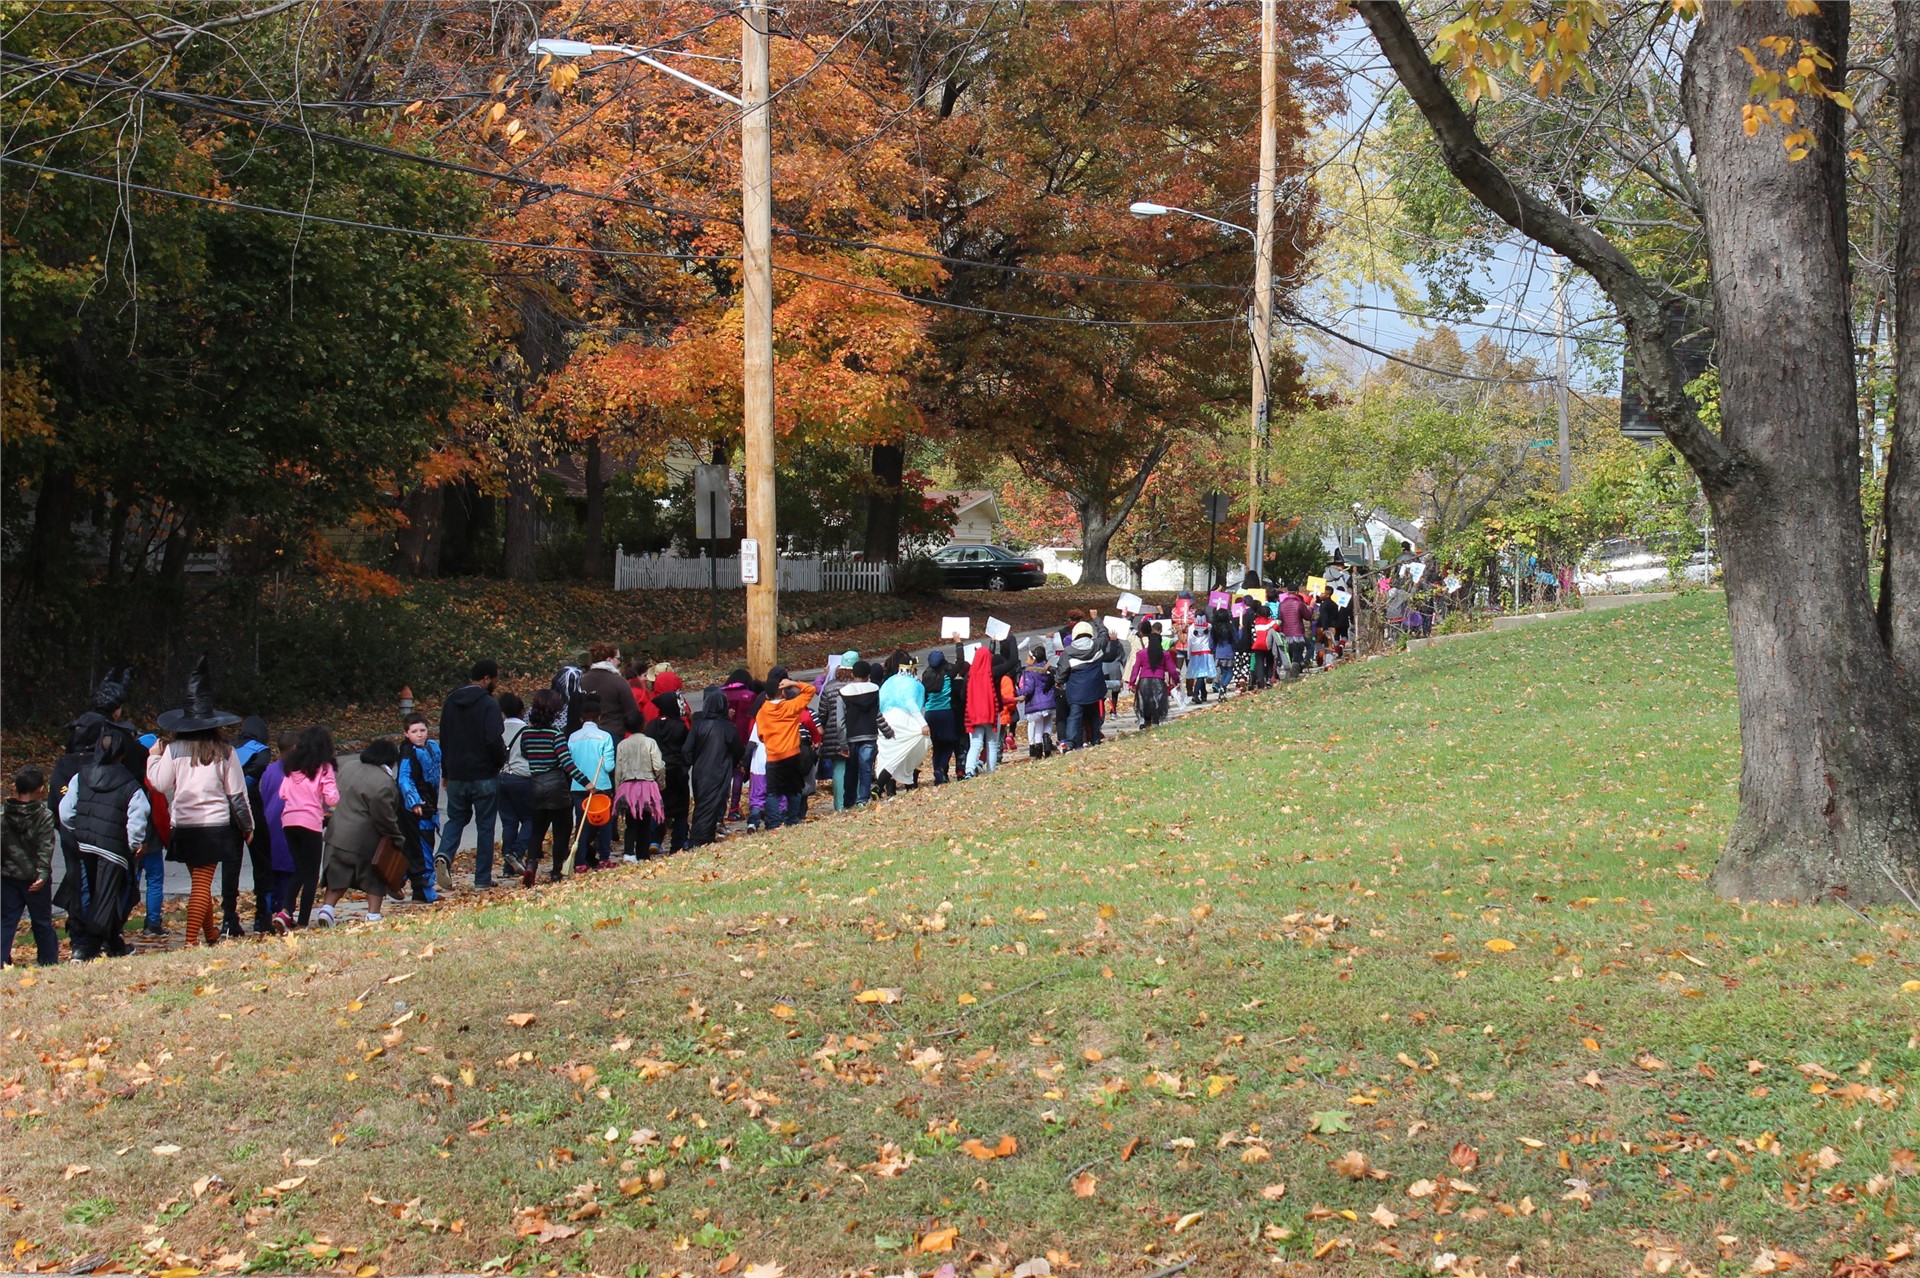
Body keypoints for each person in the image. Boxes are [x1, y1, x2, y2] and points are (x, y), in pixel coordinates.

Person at [147, 657, 252, 948]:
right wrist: (247, 826)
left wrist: (154, 756)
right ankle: (191, 942)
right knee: (202, 886)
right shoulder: (225, 751)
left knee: (200, 884)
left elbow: (159, 783)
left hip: (184, 826)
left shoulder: (173, 750)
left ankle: (209, 935)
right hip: (214, 826)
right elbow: (237, 794)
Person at [314, 738, 408, 927]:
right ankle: (373, 915)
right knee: (373, 878)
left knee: (337, 876)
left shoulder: (348, 767)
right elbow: (384, 818)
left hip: (336, 834)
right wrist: (398, 839)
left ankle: (327, 909)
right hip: (364, 841)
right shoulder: (384, 783)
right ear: (391, 760)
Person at [435, 659, 507, 890]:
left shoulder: (451, 701)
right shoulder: (489, 704)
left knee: (456, 818)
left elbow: (444, 738)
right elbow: (493, 740)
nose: (497, 682)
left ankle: (444, 854)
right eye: (496, 678)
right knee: (485, 825)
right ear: (486, 679)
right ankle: (482, 878)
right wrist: (499, 763)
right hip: (484, 773)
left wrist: (446, 770)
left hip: (456, 773)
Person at [272, 727, 338, 932]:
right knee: (311, 874)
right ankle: (302, 920)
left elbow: (283, 793)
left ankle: (285, 911)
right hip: (310, 822)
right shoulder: (323, 767)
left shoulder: (292, 767)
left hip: (289, 822)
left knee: (298, 870)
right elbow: (332, 798)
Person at [519, 690, 585, 886]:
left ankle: (531, 865)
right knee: (561, 830)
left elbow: (524, 753)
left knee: (537, 829)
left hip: (536, 784)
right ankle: (556, 871)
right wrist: (586, 782)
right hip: (556, 784)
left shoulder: (526, 734)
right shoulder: (555, 734)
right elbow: (567, 763)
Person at [4, 767, 61, 968]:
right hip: (35, 878)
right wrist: (43, 873)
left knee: (6, 921)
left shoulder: (3, 814)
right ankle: (48, 961)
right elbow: (46, 847)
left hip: (8, 877)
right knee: (42, 922)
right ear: (40, 789)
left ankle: (2, 960)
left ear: (15, 787)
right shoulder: (43, 815)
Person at [755, 668, 817, 829]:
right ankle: (792, 819)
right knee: (794, 789)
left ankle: (774, 823)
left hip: (773, 756)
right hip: (792, 753)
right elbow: (810, 690)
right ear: (782, 693)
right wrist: (793, 683)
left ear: (766, 696)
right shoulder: (791, 707)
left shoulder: (762, 712)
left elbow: (761, 735)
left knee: (772, 792)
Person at [228, 716, 273, 936]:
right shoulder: (262, 751)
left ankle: (229, 918)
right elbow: (252, 779)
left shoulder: (228, 748)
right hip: (252, 807)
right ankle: (263, 916)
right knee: (262, 861)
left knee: (231, 864)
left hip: (228, 809)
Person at [566, 693, 617, 871]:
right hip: (600, 785)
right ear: (600, 717)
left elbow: (569, 762)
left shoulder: (572, 737)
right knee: (604, 822)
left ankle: (580, 861)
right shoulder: (605, 737)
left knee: (582, 823)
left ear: (581, 719)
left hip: (578, 785)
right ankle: (604, 857)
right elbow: (609, 766)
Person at [687, 687, 743, 846]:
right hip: (720, 770)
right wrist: (734, 762)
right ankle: (700, 838)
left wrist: (693, 761)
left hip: (700, 770)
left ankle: (702, 836)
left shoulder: (698, 725)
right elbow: (738, 749)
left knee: (702, 804)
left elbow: (687, 749)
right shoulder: (728, 727)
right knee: (714, 805)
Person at [397, 713, 443, 902]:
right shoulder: (408, 752)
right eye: (414, 731)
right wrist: (414, 801)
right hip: (416, 808)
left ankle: (419, 888)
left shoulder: (432, 748)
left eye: (423, 730)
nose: (419, 735)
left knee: (426, 844)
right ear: (406, 733)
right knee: (421, 846)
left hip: (429, 805)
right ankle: (423, 886)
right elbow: (404, 778)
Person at [644, 691, 691, 853]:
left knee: (657, 806)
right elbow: (686, 748)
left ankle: (654, 840)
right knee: (680, 809)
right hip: (677, 771)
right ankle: (679, 841)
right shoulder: (679, 726)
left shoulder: (651, 726)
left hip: (657, 772)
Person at [257, 731, 296, 929]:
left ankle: (266, 912)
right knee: (288, 874)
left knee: (272, 872)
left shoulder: (268, 771)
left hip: (269, 822)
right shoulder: (295, 771)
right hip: (287, 824)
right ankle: (285, 910)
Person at [613, 716, 666, 861]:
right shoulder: (650, 742)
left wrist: (618, 790)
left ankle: (629, 853)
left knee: (631, 822)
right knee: (646, 821)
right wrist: (661, 783)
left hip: (628, 785)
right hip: (647, 784)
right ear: (643, 725)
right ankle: (643, 853)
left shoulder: (622, 745)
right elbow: (659, 766)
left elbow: (619, 769)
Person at [496, 692, 532, 880]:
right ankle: (517, 852)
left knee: (509, 822)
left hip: (501, 777)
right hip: (521, 777)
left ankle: (507, 865)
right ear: (522, 711)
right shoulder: (527, 731)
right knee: (530, 818)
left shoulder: (497, 729)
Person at [837, 661, 883, 806]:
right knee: (866, 768)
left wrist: (843, 743)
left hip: (851, 736)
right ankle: (863, 799)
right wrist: (887, 732)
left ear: (852, 674)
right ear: (868, 675)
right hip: (869, 734)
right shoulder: (875, 690)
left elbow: (840, 721)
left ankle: (848, 801)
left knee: (851, 771)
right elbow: (877, 713)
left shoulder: (844, 693)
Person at [1057, 622, 1107, 749]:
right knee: (1094, 714)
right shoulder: (1097, 645)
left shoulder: (1068, 652)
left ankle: (1070, 742)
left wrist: (1058, 681)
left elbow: (1062, 671)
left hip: (1076, 690)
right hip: (1095, 688)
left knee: (1075, 715)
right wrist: (1097, 620)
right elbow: (1104, 634)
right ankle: (1095, 739)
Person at [578, 643, 641, 739]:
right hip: (614, 733)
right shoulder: (619, 681)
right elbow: (632, 711)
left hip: (586, 735)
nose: (619, 662)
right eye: (617, 658)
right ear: (609, 659)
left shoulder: (582, 680)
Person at [915, 650, 959, 784]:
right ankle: (940, 768)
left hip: (930, 713)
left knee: (937, 745)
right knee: (950, 742)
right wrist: (958, 643)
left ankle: (938, 774)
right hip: (945, 712)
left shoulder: (926, 676)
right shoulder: (948, 675)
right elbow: (960, 662)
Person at [721, 669, 759, 821]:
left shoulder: (721, 694)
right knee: (739, 773)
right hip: (742, 738)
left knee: (723, 776)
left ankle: (720, 810)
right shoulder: (750, 696)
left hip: (722, 739)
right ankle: (734, 808)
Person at [816, 657, 850, 811]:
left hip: (832, 733)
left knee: (838, 768)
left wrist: (822, 730)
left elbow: (822, 713)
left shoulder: (829, 687)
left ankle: (839, 804)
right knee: (854, 767)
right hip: (853, 731)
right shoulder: (856, 686)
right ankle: (854, 800)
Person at [963, 643, 1001, 777]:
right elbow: (1012, 662)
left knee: (975, 744)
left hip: (973, 714)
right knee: (992, 744)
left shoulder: (969, 675)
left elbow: (963, 695)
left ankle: (969, 769)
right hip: (991, 714)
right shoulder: (992, 673)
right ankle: (991, 771)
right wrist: (994, 642)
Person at [1129, 625, 1179, 727]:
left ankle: (1145, 721)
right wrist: (1177, 681)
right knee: (1158, 703)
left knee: (1144, 702)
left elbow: (1135, 668)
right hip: (1159, 681)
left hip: (1144, 681)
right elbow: (1172, 670)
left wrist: (1131, 682)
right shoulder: (1165, 654)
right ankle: (1155, 722)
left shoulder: (1141, 653)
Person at [1017, 646, 1057, 757]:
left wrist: (1019, 692)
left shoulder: (1029, 672)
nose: (1026, 661)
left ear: (1033, 659)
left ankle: (1038, 750)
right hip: (1048, 702)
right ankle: (1047, 743)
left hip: (1035, 704)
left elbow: (1029, 689)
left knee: (1038, 727)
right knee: (1047, 724)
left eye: (1028, 658)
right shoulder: (1048, 669)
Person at [1185, 610, 1216, 703]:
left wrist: (1188, 654)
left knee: (1200, 674)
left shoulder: (1191, 628)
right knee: (1201, 675)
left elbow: (1189, 642)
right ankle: (1198, 693)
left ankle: (1202, 693)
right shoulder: (1209, 626)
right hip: (1206, 652)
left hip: (1195, 653)